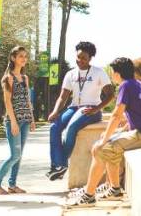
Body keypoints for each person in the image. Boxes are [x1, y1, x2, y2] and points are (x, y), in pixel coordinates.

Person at [67, 57, 141, 208]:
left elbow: (117, 115)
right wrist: (113, 134)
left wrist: (107, 137)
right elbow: (135, 116)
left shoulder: (129, 86)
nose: (111, 76)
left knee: (102, 148)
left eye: (112, 73)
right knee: (104, 145)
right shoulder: (136, 85)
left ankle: (90, 194)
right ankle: (112, 188)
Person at [46, 41, 115, 181]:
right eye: (78, 57)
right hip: (73, 107)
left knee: (72, 127)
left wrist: (96, 109)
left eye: (84, 58)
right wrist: (55, 112)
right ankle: (56, 166)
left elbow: (110, 95)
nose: (80, 60)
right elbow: (62, 97)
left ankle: (61, 165)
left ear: (90, 58)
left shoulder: (98, 72)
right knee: (54, 127)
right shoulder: (71, 74)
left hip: (91, 109)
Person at [0, 46, 36, 195]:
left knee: (19, 155)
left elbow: (27, 100)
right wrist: (14, 122)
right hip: (13, 121)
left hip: (25, 120)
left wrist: (32, 119)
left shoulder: (25, 78)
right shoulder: (8, 78)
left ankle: (12, 185)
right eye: (20, 56)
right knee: (14, 155)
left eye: (25, 56)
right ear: (13, 58)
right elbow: (8, 102)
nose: (24, 59)